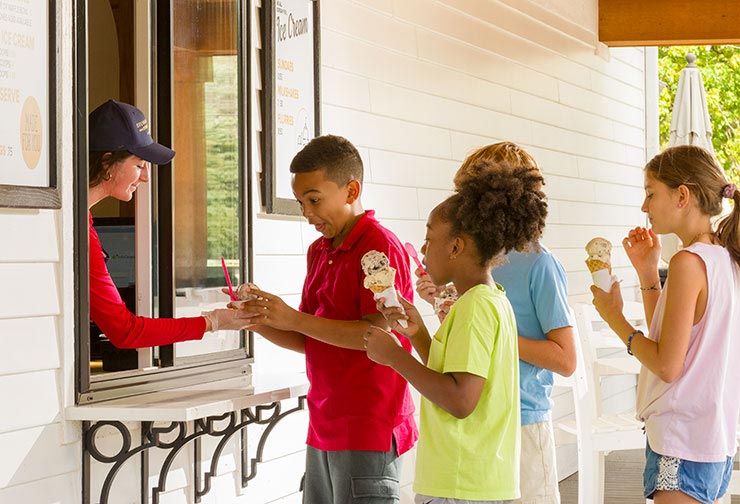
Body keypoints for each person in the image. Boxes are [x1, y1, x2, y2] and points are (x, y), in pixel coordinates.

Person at [233, 134, 418, 503]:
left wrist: (293, 318)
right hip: (323, 424)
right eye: (301, 202)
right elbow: (309, 338)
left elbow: (376, 336)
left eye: (314, 200)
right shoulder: (319, 251)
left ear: (351, 191)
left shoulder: (378, 247)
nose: (306, 213)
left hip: (368, 426)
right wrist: (261, 319)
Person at [365, 159, 550, 503]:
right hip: (477, 481)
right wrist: (417, 333)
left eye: (429, 239)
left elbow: (460, 400)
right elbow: (454, 376)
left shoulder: (474, 308)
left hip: (460, 484)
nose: (422, 250)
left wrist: (393, 357)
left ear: (456, 247)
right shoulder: (490, 300)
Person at [415, 142, 575, 504]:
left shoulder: (540, 264)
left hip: (523, 420)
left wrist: (494, 336)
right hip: (478, 427)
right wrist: (445, 307)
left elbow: (566, 360)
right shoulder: (473, 264)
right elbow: (467, 348)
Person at [591, 145, 740, 504]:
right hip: (713, 441)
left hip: (680, 440)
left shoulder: (689, 262)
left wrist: (615, 319)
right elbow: (679, 334)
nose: (644, 207)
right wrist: (647, 271)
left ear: (682, 195)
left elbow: (667, 365)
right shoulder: (725, 256)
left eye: (650, 193)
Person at [88, 99, 249, 348]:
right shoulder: (80, 234)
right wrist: (213, 321)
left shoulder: (80, 221)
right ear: (107, 162)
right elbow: (125, 331)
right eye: (139, 165)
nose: (146, 177)